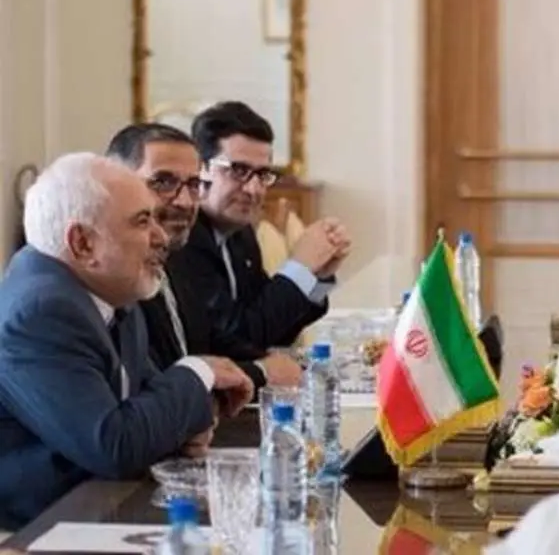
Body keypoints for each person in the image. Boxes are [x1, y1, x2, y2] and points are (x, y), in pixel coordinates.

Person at [0, 154, 253, 529]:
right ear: (83, 243)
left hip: (101, 508)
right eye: (142, 221)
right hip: (35, 531)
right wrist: (199, 371)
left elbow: (150, 399)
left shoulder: (112, 289)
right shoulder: (41, 312)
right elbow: (115, 446)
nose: (161, 237)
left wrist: (179, 423)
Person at [106, 123, 303, 389]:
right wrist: (260, 372)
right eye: (163, 182)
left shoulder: (174, 256)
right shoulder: (111, 275)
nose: (185, 202)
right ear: (116, 185)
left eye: (193, 184)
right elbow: (157, 381)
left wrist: (266, 364)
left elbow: (208, 339)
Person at [175, 101, 351, 349]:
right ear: (200, 169)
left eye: (262, 175)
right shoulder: (184, 237)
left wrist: (316, 276)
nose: (253, 189)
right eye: (238, 171)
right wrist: (299, 266)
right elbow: (236, 339)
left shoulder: (241, 233)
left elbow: (272, 328)